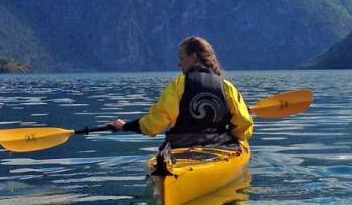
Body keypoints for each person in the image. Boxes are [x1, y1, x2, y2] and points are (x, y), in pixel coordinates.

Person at [108, 36, 253, 148]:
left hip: (180, 149)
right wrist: (235, 136)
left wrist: (125, 126)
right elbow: (244, 122)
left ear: (194, 57)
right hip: (218, 148)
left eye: (182, 58)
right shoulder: (227, 86)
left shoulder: (178, 84)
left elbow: (156, 123)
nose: (179, 63)